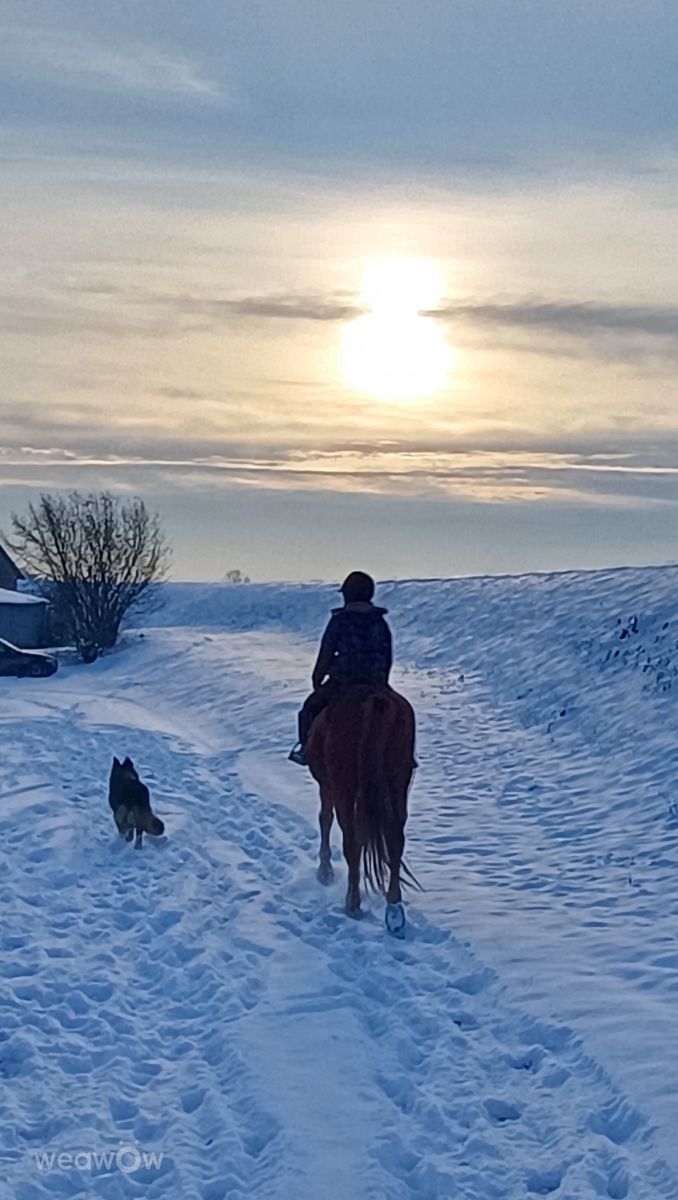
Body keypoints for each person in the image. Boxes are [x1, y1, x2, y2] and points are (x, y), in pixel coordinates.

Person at [288, 571, 392, 766]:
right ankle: (404, 756)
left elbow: (326, 652)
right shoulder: (379, 621)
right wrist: (382, 681)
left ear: (347, 595)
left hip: (343, 681)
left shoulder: (340, 620)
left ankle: (306, 750)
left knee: (308, 710)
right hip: (375, 682)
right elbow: (387, 655)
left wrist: (317, 679)